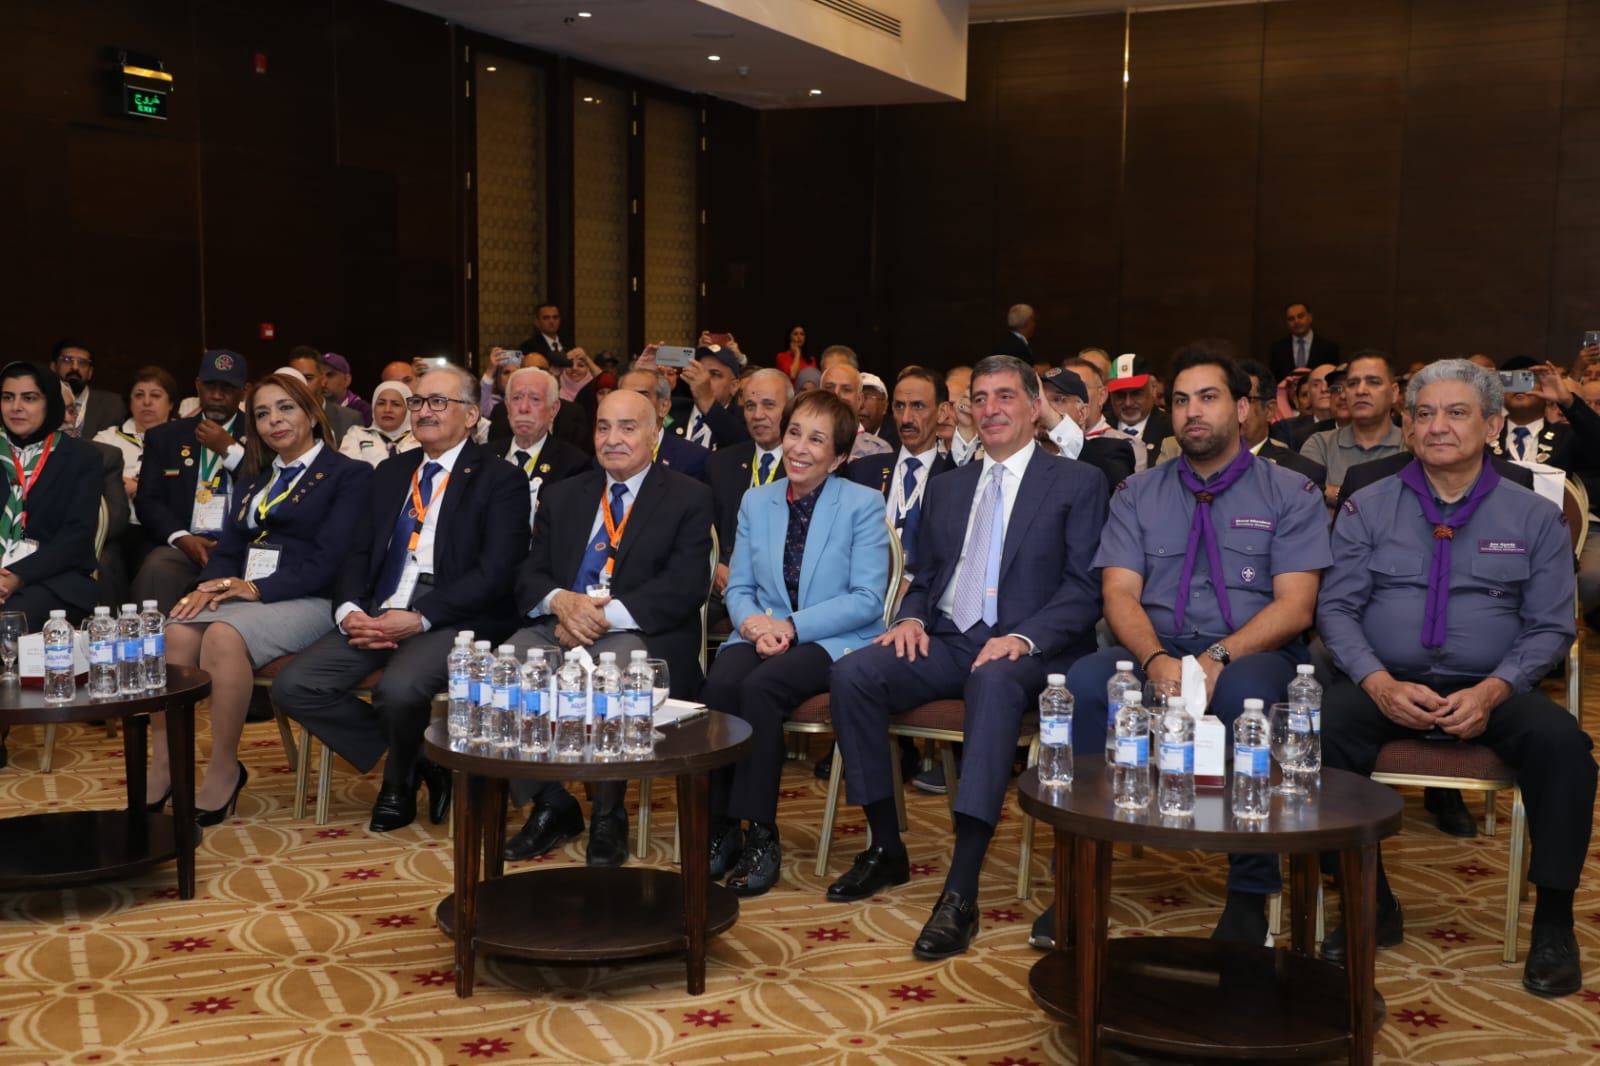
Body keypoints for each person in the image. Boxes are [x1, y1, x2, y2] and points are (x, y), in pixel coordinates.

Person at [1317, 358, 1595, 997]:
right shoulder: (1367, 506)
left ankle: (1554, 924)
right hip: (1387, 682)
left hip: (1495, 687)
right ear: (1409, 427)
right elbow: (1336, 610)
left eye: (1457, 412)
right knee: (1316, 732)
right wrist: (1377, 682)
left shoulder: (1533, 516)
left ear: (1492, 425)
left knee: (1565, 749)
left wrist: (1494, 689)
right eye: (1424, 414)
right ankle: (1368, 898)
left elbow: (1552, 626)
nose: (1437, 426)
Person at [825, 355, 1107, 960]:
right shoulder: (949, 486)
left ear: (1035, 406)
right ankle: (885, 845)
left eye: (1005, 396)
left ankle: (961, 888)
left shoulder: (1077, 482)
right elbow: (926, 576)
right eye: (980, 398)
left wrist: (1025, 638)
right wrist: (909, 618)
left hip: (1030, 647)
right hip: (949, 638)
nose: (991, 409)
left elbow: (1085, 590)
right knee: (854, 674)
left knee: (995, 681)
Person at [1056, 342, 1330, 948]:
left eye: (1208, 398)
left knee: (1247, 697)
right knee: (1086, 683)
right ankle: (1078, 879)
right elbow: (1119, 594)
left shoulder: (1291, 492)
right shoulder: (1137, 492)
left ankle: (1250, 891)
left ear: (1242, 408)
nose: (1192, 412)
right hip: (1157, 646)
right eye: (1180, 401)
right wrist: (1155, 659)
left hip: (1253, 652)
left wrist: (1218, 658)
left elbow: (1296, 607)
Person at [272, 366, 530, 832]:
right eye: (418, 402)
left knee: (398, 690)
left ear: (472, 415)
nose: (424, 411)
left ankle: (397, 782)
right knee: (295, 685)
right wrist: (350, 610)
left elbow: (496, 573)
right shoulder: (390, 472)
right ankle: (421, 755)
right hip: (381, 603)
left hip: (453, 613)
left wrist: (421, 618)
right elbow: (357, 552)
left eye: (438, 402)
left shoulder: (500, 479)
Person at [500, 389, 715, 865]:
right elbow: (530, 574)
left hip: (641, 634)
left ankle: (608, 814)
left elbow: (683, 587)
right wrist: (562, 603)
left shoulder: (688, 497)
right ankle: (551, 803)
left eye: (627, 427)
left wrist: (594, 617)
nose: (612, 438)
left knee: (611, 675)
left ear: (654, 436)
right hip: (559, 625)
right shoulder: (564, 494)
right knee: (504, 671)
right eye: (603, 427)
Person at [150, 373, 370, 825]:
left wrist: (255, 589)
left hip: (312, 597)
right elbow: (229, 548)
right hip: (248, 595)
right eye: (263, 414)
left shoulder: (348, 474)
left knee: (222, 635)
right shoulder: (255, 476)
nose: (275, 421)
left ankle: (224, 769)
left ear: (312, 415)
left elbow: (332, 559)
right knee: (175, 633)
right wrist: (206, 587)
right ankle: (165, 763)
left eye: (286, 408)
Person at [701, 390, 889, 895]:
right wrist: (753, 625)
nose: (799, 448)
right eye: (794, 433)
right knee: (719, 684)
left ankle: (761, 833)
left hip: (833, 636)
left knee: (760, 689)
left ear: (840, 457)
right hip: (763, 628)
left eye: (817, 439)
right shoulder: (757, 500)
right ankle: (722, 825)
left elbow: (868, 599)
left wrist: (791, 627)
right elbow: (739, 586)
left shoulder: (862, 504)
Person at [132, 350, 252, 614]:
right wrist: (183, 539)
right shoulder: (165, 437)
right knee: (157, 567)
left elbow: (267, 490)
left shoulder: (260, 435)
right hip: (184, 545)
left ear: (244, 392)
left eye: (227, 388)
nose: (217, 395)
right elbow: (148, 501)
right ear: (198, 385)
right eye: (210, 386)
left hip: (241, 546)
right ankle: (153, 638)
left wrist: (230, 450)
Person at [0, 362, 103, 627]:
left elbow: (76, 538)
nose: (16, 407)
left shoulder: (82, 458)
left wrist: (17, 576)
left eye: (29, 398)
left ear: (50, 404)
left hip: (54, 581)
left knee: (8, 620)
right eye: (8, 397)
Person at [709, 369, 792, 598]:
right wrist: (716, 565)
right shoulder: (720, 463)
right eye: (749, 406)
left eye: (769, 405)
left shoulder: (804, 466)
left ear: (790, 409)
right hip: (723, 584)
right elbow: (702, 528)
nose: (757, 415)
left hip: (782, 588)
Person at [1301, 350, 1405, 508]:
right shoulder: (1320, 444)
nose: (1360, 391)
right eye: (1352, 384)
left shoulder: (1411, 446)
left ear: (1394, 392)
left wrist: (1334, 494)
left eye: (1373, 382)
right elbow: (1306, 496)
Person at [486, 367, 590, 524]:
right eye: (516, 398)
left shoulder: (573, 465)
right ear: (507, 406)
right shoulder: (483, 457)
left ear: (553, 409)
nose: (523, 408)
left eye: (535, 399)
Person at [1235, 359, 1327, 488]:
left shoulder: (1302, 473)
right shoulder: (1207, 465)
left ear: (1269, 410)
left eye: (1244, 401)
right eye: (1228, 400)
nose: (1232, 409)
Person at [618, 366, 711, 483]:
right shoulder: (606, 454)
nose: (631, 403)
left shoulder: (693, 458)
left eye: (643, 396)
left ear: (663, 406)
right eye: (624, 396)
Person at [1107, 354, 1176, 469]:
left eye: (1136, 393)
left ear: (1153, 389)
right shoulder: (1100, 428)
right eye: (1120, 395)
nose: (1128, 403)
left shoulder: (1171, 429)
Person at [51, 340, 128, 439]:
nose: (75, 367)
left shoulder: (115, 405)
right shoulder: (41, 402)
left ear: (90, 372)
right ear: (53, 367)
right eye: (67, 360)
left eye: (82, 362)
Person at [288, 347, 361, 447]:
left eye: (308, 378)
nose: (302, 384)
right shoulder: (280, 419)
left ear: (323, 380)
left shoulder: (349, 419)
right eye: (295, 379)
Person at [339, 381, 421, 467]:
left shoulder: (421, 438)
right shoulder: (357, 435)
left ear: (408, 409)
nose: (387, 410)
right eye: (381, 403)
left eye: (396, 404)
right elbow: (348, 470)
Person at [821, 365, 892, 461]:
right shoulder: (802, 438)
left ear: (859, 400)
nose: (836, 394)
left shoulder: (878, 451)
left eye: (846, 389)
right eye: (829, 387)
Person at [1268, 301, 1339, 380]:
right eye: (1291, 319)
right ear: (1287, 323)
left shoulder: (1328, 348)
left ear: (1310, 317)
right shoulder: (1277, 349)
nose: (1296, 321)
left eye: (1300, 316)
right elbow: (1273, 379)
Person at [320, 353, 372, 427]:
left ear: (347, 380)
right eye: (320, 375)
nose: (323, 381)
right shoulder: (312, 408)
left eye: (330, 375)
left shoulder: (363, 410)